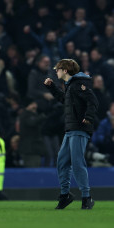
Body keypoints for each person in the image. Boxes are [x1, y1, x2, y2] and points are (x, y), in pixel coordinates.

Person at [44, 59, 98, 210]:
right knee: (62, 161)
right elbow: (64, 100)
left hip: (79, 129)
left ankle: (87, 197)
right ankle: (65, 195)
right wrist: (52, 87)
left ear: (65, 70)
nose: (56, 71)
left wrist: (88, 117)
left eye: (58, 69)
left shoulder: (78, 84)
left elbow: (93, 100)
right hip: (71, 130)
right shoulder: (70, 85)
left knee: (77, 162)